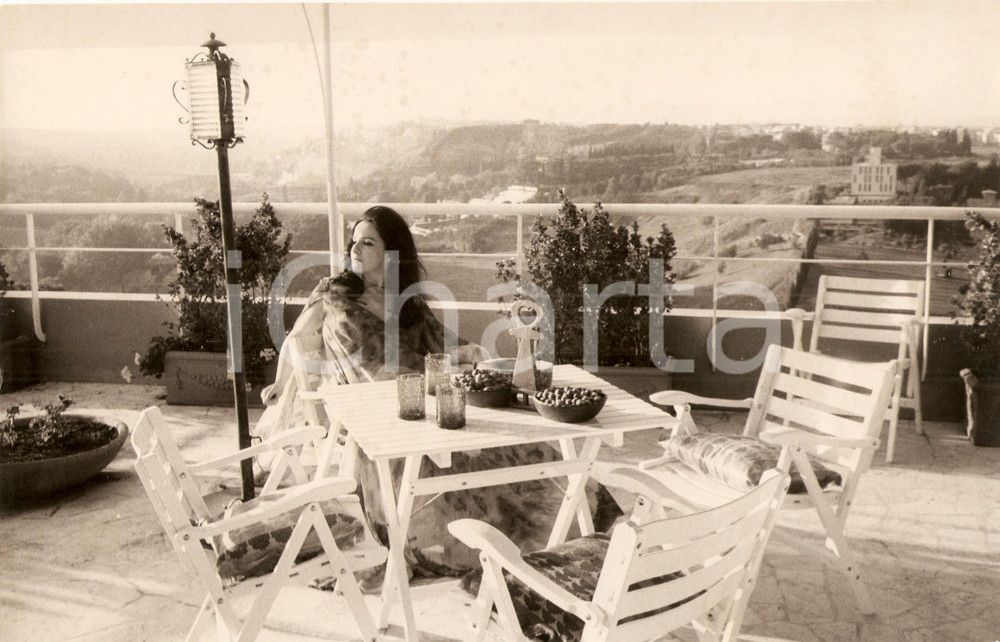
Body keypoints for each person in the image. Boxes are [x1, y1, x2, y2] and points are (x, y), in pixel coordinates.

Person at [254, 205, 621, 585]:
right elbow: (297, 338)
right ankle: (482, 545)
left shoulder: (407, 301)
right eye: (354, 242)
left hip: (425, 398)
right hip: (378, 414)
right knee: (464, 458)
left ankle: (570, 531)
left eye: (367, 243)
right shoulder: (336, 295)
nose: (355, 250)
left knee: (524, 445)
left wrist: (472, 356)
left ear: (392, 254)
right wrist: (282, 385)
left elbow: (447, 344)